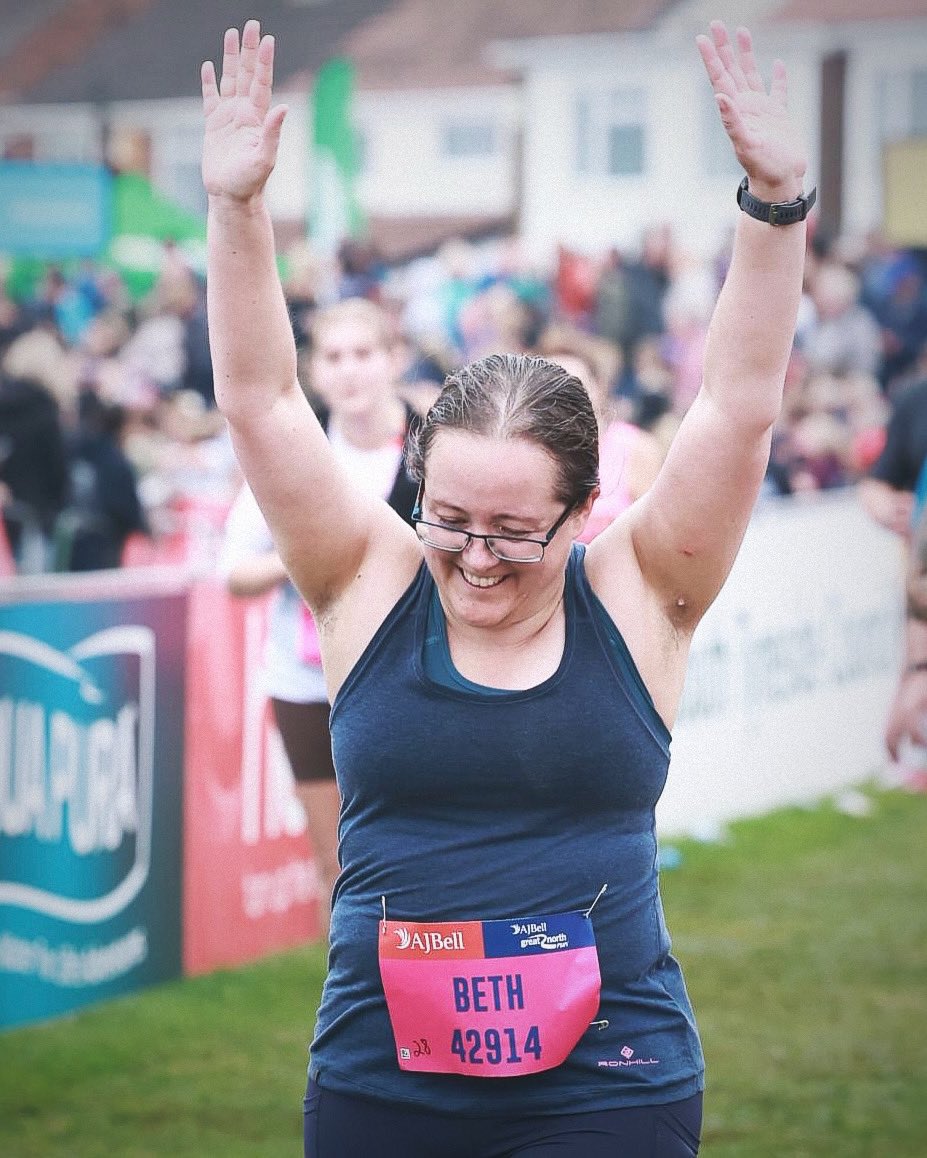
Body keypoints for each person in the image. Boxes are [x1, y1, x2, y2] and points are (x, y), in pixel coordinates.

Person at [201, 19, 811, 1156]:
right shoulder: (366, 577)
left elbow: (735, 405)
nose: (475, 556)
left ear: (585, 514)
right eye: (449, 520)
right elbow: (263, 403)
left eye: (516, 534)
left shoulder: (644, 592)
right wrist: (237, 212)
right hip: (384, 1071)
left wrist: (773, 206)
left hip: (611, 1078)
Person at [218, 298, 420, 937]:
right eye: (334, 357)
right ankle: (356, 998)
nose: (350, 371)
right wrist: (302, 559)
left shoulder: (433, 444)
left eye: (364, 353)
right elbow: (234, 575)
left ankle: (430, 986)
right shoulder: (293, 453)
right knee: (333, 860)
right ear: (314, 370)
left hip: (409, 677)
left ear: (394, 359)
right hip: (306, 682)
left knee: (413, 849)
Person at [536, 324, 665, 540]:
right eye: (553, 391)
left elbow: (657, 531)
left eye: (576, 387)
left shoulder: (635, 447)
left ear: (599, 388)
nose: (566, 401)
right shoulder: (530, 452)